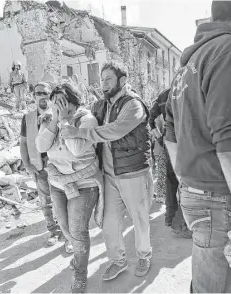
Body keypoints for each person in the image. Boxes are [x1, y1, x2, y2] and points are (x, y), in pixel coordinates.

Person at [164, 1, 231, 292]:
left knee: (214, 283)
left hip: (196, 193)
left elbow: (170, 137)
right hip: (218, 198)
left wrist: (188, 184)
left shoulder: (186, 65)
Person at [61, 60, 154, 281]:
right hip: (110, 176)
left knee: (140, 220)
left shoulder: (134, 105)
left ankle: (144, 255)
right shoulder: (100, 106)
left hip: (133, 173)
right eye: (102, 79)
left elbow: (114, 131)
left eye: (108, 79)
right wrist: (64, 115)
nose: (103, 84)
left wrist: (78, 133)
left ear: (122, 80)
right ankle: (118, 261)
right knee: (109, 222)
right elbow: (85, 118)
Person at [36, 82, 103, 293]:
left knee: (78, 231)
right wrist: (55, 120)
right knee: (66, 230)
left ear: (74, 102)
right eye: (55, 103)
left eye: (63, 103)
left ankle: (80, 274)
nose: (58, 107)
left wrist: (65, 121)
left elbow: (76, 150)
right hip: (58, 184)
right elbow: (40, 147)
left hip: (83, 183)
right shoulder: (51, 120)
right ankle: (78, 258)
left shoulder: (86, 119)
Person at [20, 82, 65, 246]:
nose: (43, 96)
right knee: (46, 201)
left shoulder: (57, 114)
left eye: (46, 93)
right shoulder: (28, 117)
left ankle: (66, 231)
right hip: (39, 166)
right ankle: (53, 231)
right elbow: (23, 143)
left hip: (58, 164)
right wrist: (27, 164)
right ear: (34, 96)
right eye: (39, 93)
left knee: (61, 198)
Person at [149, 89, 192, 238]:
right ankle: (180, 224)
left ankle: (170, 220)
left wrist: (160, 137)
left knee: (171, 184)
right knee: (186, 186)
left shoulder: (163, 95)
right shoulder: (186, 90)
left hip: (169, 143)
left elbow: (150, 118)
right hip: (185, 144)